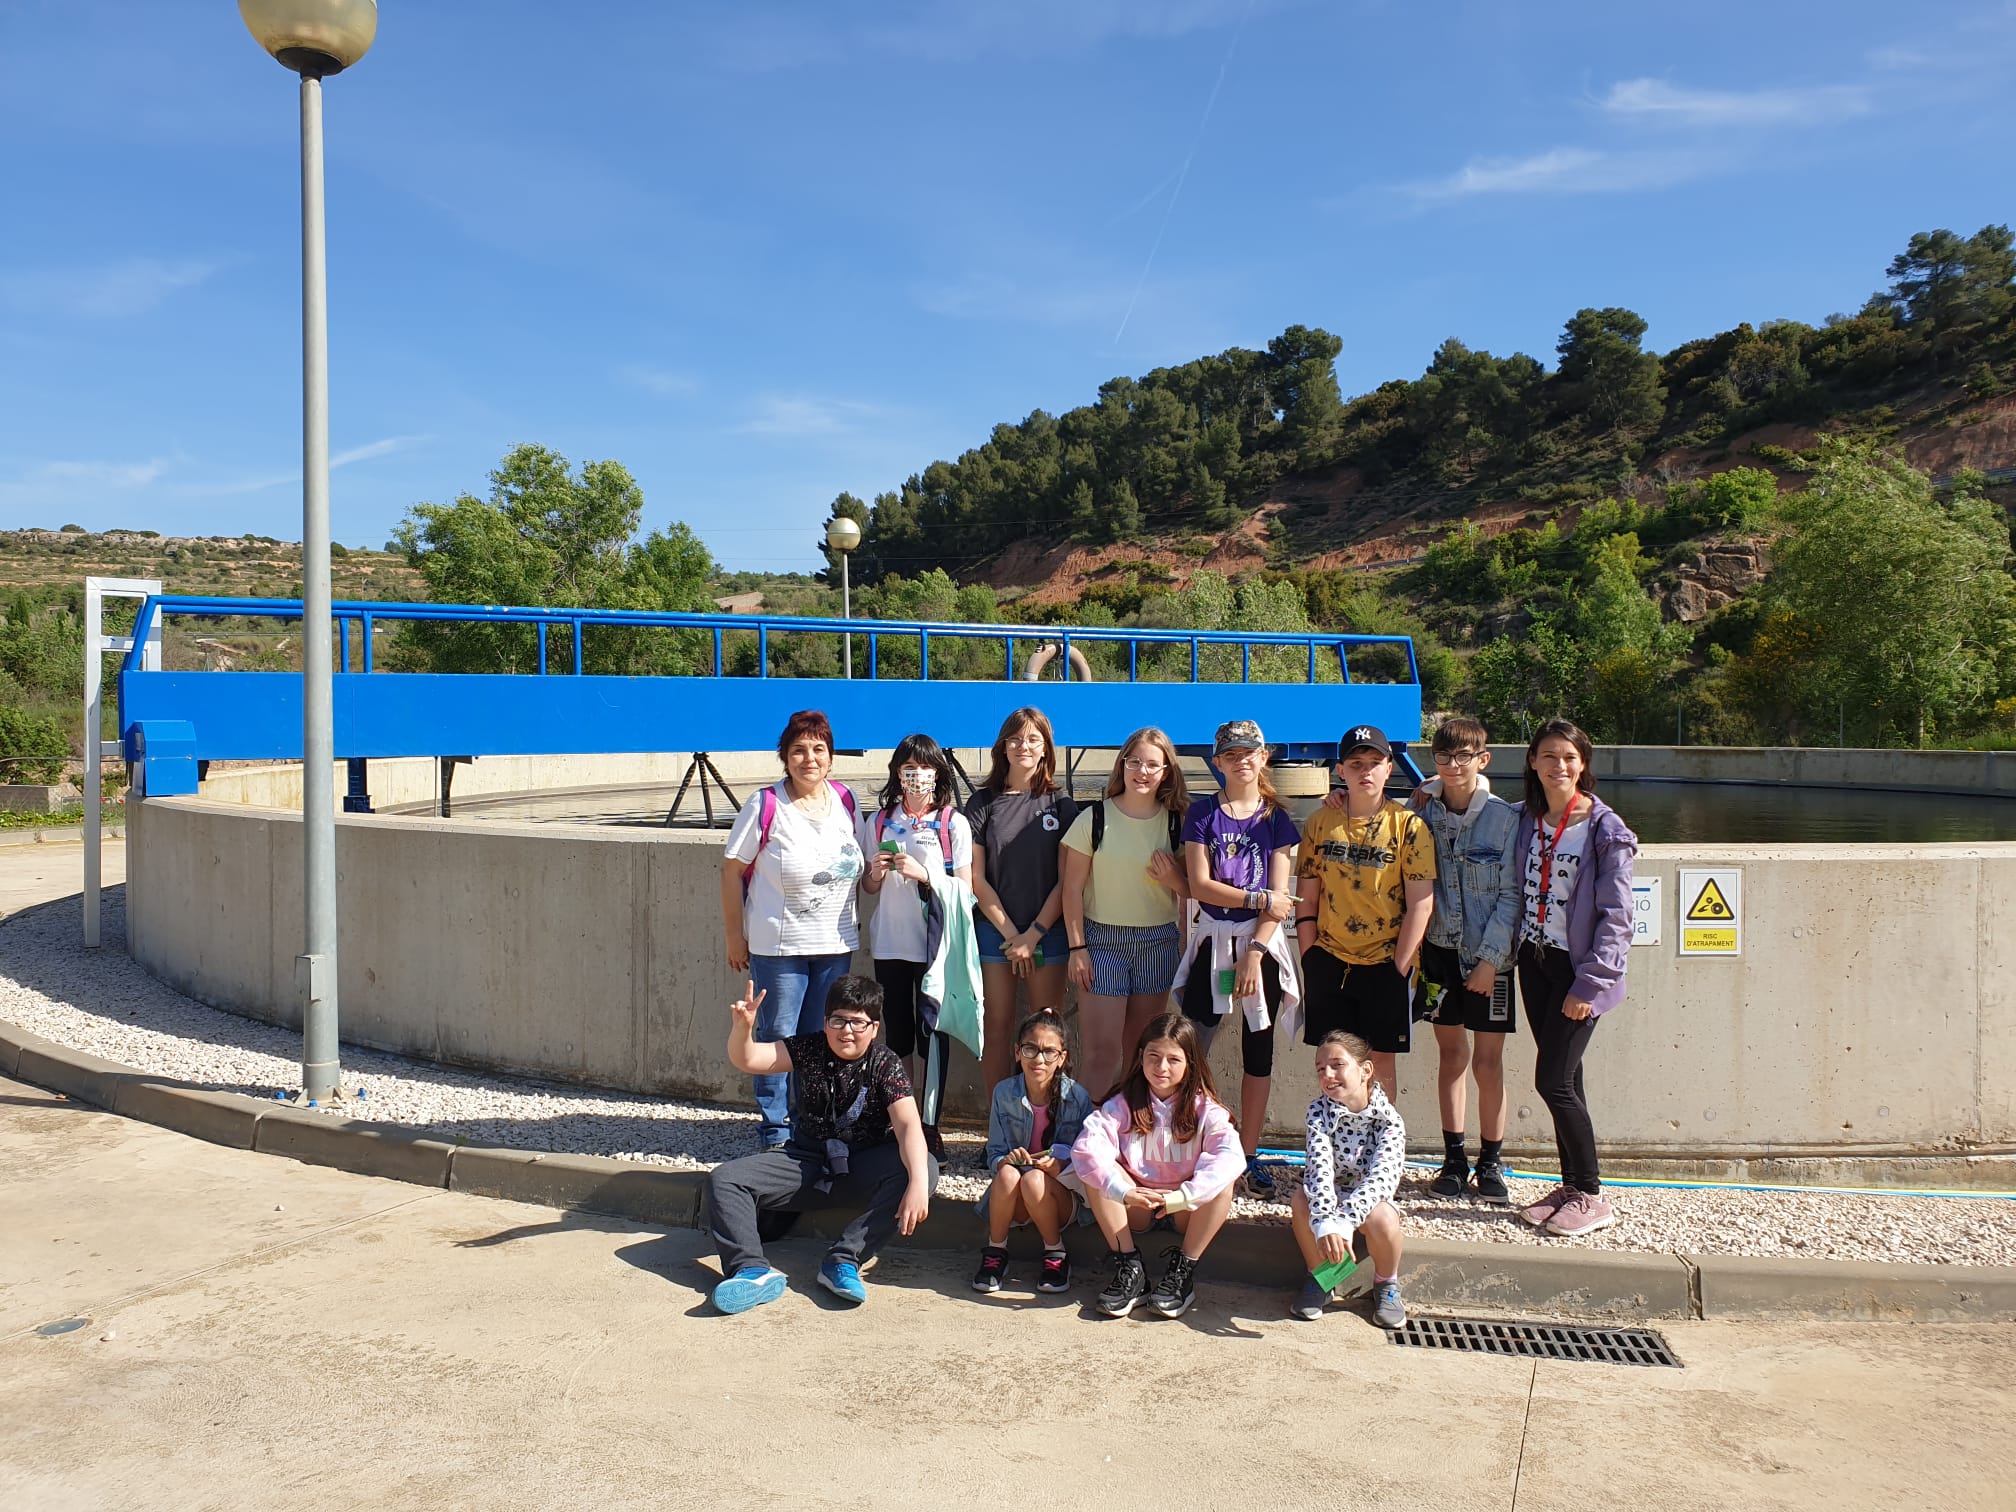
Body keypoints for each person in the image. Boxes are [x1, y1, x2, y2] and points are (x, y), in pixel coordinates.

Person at [706, 975, 936, 1313]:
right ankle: (750, 1271)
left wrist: (917, 1183)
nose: (847, 1031)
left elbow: (907, 1125)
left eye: (857, 1022)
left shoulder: (885, 1064)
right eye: (838, 1020)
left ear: (874, 1028)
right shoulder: (808, 1048)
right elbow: (749, 1059)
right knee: (725, 1179)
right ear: (826, 1022)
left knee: (923, 1168)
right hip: (806, 1162)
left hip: (862, 1167)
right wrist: (743, 1029)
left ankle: (843, 1261)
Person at [718, 710, 865, 1150]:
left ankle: (811, 1125)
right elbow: (731, 871)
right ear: (785, 757)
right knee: (777, 1036)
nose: (809, 758)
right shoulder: (765, 805)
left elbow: (862, 861)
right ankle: (775, 1131)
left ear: (831, 756)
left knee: (822, 1037)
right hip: (779, 947)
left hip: (835, 943)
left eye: (819, 749)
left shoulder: (846, 800)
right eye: (798, 750)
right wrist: (734, 936)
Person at [1513, 719, 1637, 1239]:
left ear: (1583, 763)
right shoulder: (1526, 818)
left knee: (1553, 1082)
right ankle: (1570, 1188)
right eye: (1548, 756)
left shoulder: (1606, 830)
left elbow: (1618, 916)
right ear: (1533, 762)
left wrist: (1590, 984)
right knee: (1570, 1078)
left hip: (1577, 970)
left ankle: (1591, 1193)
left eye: (1568, 756)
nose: (1558, 766)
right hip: (1534, 960)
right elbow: (1463, 796)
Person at [1175, 719, 1302, 1198]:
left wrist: (1255, 951)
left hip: (1259, 945)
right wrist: (1256, 898)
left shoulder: (1277, 819)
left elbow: (1281, 899)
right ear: (1218, 762)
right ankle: (1188, 1143)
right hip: (1214, 938)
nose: (1241, 761)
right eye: (1231, 754)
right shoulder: (1202, 813)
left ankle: (1247, 1155)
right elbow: (1200, 885)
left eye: (1249, 752)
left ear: (1263, 756)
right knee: (1191, 1044)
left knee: (1258, 1051)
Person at [1410, 717, 1522, 1205]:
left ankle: (1490, 1161)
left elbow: (1512, 896)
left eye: (1463, 757)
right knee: (1452, 1056)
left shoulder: (1505, 818)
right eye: (1443, 757)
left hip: (1488, 958)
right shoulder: (1422, 812)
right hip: (1438, 953)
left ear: (1483, 759)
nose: (1453, 766)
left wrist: (1490, 960)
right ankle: (1453, 1158)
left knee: (1488, 1062)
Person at [1295, 725, 1436, 1100]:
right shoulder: (1320, 823)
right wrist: (1309, 957)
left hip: (1386, 961)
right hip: (1330, 959)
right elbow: (1307, 896)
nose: (1365, 771)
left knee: (1381, 1060)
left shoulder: (1408, 827)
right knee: (1334, 1060)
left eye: (1375, 762)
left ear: (1389, 768)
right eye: (1356, 764)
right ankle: (1337, 1131)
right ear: (1341, 770)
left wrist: (1399, 967)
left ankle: (1381, 1135)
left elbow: (1421, 903)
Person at [1071, 1012, 1243, 1318]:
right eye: (1153, 1056)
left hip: (1184, 1207)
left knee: (1223, 1181)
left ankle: (1183, 1272)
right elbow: (1086, 1149)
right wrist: (1123, 1191)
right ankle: (1130, 1267)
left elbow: (1230, 1157)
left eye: (1173, 1059)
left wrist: (1182, 1196)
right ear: (1140, 1056)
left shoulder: (1207, 1110)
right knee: (1098, 1172)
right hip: (1137, 1204)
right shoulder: (1121, 1104)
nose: (1161, 1067)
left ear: (1191, 1063)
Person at [859, 733, 973, 1159]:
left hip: (934, 947)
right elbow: (869, 887)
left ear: (937, 773)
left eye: (925, 767)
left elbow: (965, 890)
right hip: (889, 943)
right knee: (897, 1035)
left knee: (933, 1038)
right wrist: (875, 872)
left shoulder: (952, 823)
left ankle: (930, 1125)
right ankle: (901, 1121)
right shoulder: (879, 821)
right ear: (897, 773)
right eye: (909, 767)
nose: (917, 775)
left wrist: (925, 875)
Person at [1060, 727, 1191, 1097]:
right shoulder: (1093, 819)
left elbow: (1192, 889)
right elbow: (1071, 888)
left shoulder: (1176, 822)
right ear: (1122, 765)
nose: (1142, 772)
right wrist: (1077, 948)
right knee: (1101, 1055)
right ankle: (1084, 1130)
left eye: (1152, 764)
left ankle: (1134, 1127)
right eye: (1134, 762)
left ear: (1166, 771)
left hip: (1158, 943)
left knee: (1142, 1056)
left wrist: (1174, 878)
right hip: (1102, 943)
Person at [966, 707, 1078, 1092]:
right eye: (1014, 739)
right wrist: (1014, 936)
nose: (1023, 746)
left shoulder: (1061, 804)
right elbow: (976, 878)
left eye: (1032, 739)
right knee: (997, 1027)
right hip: (996, 933)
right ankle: (1000, 1119)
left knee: (1046, 1029)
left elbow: (1067, 881)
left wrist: (1034, 934)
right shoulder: (982, 803)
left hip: (1048, 933)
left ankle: (1046, 1118)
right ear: (1003, 747)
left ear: (1046, 747)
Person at [1289, 1031, 1408, 1328]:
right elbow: (1319, 1169)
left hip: (1368, 1203)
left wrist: (1344, 1221)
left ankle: (1386, 1283)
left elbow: (1382, 1178)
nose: (1327, 1075)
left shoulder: (1390, 1121)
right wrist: (1326, 1223)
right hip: (1331, 1198)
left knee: (1384, 1219)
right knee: (1301, 1200)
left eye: (1337, 1065)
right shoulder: (1318, 1113)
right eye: (1320, 1069)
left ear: (1365, 1070)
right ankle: (1322, 1278)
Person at [972, 1008, 1092, 1295]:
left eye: (1049, 1052)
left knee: (1034, 1179)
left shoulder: (1077, 1097)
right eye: (1030, 1049)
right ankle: (996, 1251)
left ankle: (1055, 1252)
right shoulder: (1004, 1093)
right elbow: (995, 1152)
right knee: (1007, 1175)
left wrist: (1061, 1165)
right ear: (1017, 1052)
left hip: (1059, 1197)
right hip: (1015, 1196)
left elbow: (1089, 1159)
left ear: (1062, 1058)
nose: (1039, 1059)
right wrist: (1006, 1160)